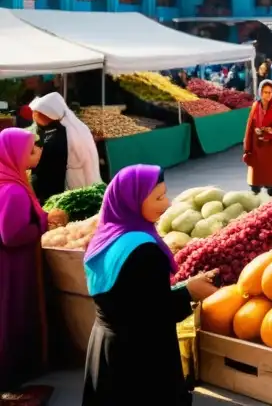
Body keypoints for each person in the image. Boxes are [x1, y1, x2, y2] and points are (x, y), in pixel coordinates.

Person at [82, 165, 218, 404]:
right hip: (139, 358)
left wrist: (182, 287)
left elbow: (129, 299)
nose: (166, 204)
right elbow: (153, 313)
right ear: (132, 200)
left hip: (106, 347)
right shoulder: (143, 249)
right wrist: (189, 292)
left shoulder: (106, 238)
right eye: (158, 197)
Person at [0, 128, 58, 392]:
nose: (38, 152)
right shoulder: (12, 190)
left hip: (11, 263)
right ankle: (14, 370)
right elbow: (12, 235)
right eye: (31, 150)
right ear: (15, 155)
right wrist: (44, 224)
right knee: (14, 312)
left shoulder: (8, 180)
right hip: (14, 266)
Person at [30, 92, 102, 195]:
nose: (35, 116)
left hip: (73, 181)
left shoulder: (68, 132)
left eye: (38, 113)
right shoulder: (65, 127)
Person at [243, 80, 272, 196]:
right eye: (265, 92)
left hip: (271, 144)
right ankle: (255, 185)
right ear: (260, 93)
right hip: (256, 143)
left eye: (270, 92)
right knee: (257, 165)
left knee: (270, 166)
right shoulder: (255, 106)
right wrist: (248, 144)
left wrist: (271, 131)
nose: (268, 95)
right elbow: (250, 125)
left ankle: (270, 185)